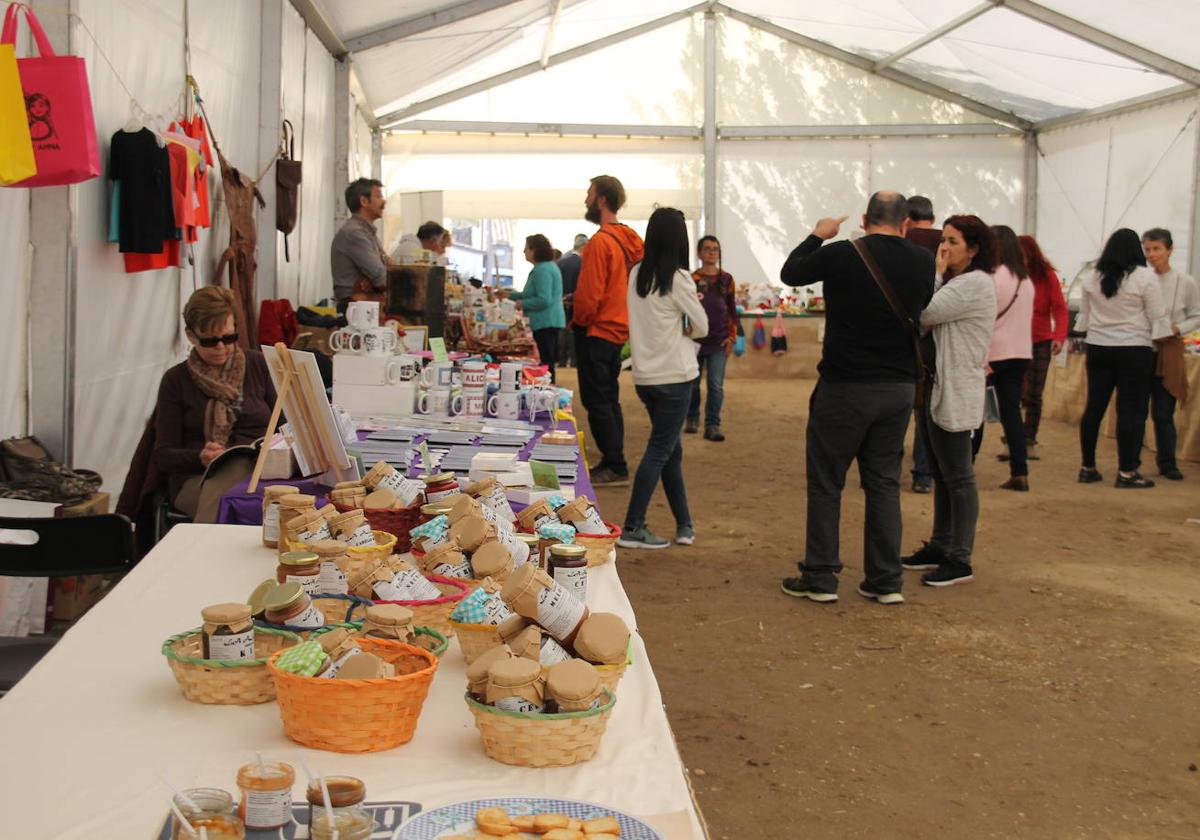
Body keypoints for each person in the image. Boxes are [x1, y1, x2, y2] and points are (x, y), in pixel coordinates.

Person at [778, 191, 935, 605]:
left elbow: (791, 273)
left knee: (828, 481)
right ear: (905, 222)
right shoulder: (923, 261)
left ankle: (821, 575)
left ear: (865, 218)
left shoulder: (843, 253)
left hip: (845, 385)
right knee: (883, 483)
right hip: (898, 387)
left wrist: (818, 235)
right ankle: (885, 579)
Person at [901, 216, 997, 587]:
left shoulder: (974, 283)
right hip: (935, 389)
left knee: (959, 476)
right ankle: (940, 545)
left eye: (953, 242)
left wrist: (936, 275)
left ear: (973, 250)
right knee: (942, 474)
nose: (944, 248)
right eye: (943, 240)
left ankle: (961, 558)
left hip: (955, 390)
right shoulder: (961, 282)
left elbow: (925, 314)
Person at [616, 208, 708, 549]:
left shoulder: (637, 274)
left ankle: (684, 524)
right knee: (660, 450)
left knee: (671, 449)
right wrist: (685, 328)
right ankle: (633, 526)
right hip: (676, 376)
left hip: (645, 377)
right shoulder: (680, 278)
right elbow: (703, 326)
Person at [154, 287, 278, 523]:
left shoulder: (258, 364)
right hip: (198, 477)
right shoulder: (176, 380)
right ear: (191, 336)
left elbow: (284, 427)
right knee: (231, 497)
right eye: (210, 341)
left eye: (229, 338)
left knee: (273, 501)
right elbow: (164, 456)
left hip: (262, 471)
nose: (221, 347)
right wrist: (200, 457)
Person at [1077, 229, 1169, 488]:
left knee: (1094, 407)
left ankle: (1087, 467)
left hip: (1098, 347)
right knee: (1131, 411)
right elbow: (1157, 315)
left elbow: (1083, 318)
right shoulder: (1144, 277)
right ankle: (1127, 472)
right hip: (1134, 349)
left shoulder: (1092, 277)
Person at [572, 175, 645, 486]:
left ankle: (615, 464)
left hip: (597, 329)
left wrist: (580, 319)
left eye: (589, 194)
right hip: (619, 328)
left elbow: (591, 294)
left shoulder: (601, 242)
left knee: (597, 400)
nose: (586, 200)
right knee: (609, 398)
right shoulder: (631, 240)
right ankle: (613, 459)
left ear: (602, 199)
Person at [978, 225, 1035, 491]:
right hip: (1020, 352)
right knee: (1011, 413)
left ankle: (966, 464)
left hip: (993, 353)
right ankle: (1020, 471)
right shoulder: (1025, 281)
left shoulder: (992, 278)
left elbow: (984, 319)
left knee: (976, 414)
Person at [1141, 228, 1200, 480]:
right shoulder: (1141, 279)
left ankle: (1167, 462)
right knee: (1136, 410)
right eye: (1147, 249)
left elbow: (1196, 315)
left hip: (1170, 349)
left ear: (1169, 250)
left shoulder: (1185, 282)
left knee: (1164, 411)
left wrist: (1179, 328)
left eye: (1157, 249)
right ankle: (1130, 461)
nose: (1152, 254)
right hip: (1142, 348)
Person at [1018, 235, 1068, 462]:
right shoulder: (1011, 275)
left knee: (1034, 394)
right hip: (1015, 342)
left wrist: (1059, 336)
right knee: (1014, 393)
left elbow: (1060, 308)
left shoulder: (1047, 277)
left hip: (1040, 342)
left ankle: (1028, 440)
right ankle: (1014, 439)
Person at [904, 195, 940, 493]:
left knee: (900, 408)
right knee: (925, 412)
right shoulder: (946, 244)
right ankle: (924, 475)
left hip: (904, 337)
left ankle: (884, 468)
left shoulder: (903, 246)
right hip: (935, 341)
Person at [685, 235, 737, 441]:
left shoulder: (727, 279)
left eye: (715, 248)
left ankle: (712, 425)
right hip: (694, 342)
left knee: (716, 385)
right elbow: (682, 310)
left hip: (719, 342)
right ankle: (692, 418)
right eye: (707, 248)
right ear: (699, 253)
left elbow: (732, 311)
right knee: (692, 384)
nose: (712, 252)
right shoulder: (691, 280)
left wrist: (732, 337)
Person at [508, 234, 566, 381]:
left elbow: (543, 299)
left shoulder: (542, 270)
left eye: (526, 248)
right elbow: (529, 293)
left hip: (546, 321)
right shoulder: (545, 267)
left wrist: (521, 304)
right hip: (549, 321)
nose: (524, 252)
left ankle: (548, 393)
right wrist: (509, 295)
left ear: (535, 250)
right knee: (547, 361)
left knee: (546, 363)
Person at [330, 178, 388, 311]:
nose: (384, 202)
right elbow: (381, 277)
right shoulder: (355, 233)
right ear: (364, 201)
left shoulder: (367, 232)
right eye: (378, 196)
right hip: (356, 312)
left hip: (365, 306)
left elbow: (386, 267)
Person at [557, 233, 588, 368]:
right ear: (583, 247)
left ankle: (562, 361)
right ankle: (574, 361)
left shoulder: (562, 260)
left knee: (562, 332)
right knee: (573, 332)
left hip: (561, 301)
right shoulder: (581, 262)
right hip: (575, 302)